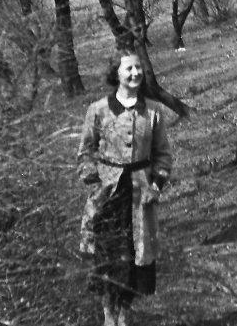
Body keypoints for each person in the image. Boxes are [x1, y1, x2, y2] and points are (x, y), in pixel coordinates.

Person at [76, 51, 174, 326]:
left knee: (134, 260)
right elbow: (85, 153)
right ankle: (109, 318)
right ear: (116, 73)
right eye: (129, 68)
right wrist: (95, 183)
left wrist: (156, 184)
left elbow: (163, 155)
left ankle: (124, 319)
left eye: (139, 68)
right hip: (108, 198)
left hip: (139, 198)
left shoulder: (153, 111)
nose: (135, 73)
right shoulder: (98, 110)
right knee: (107, 258)